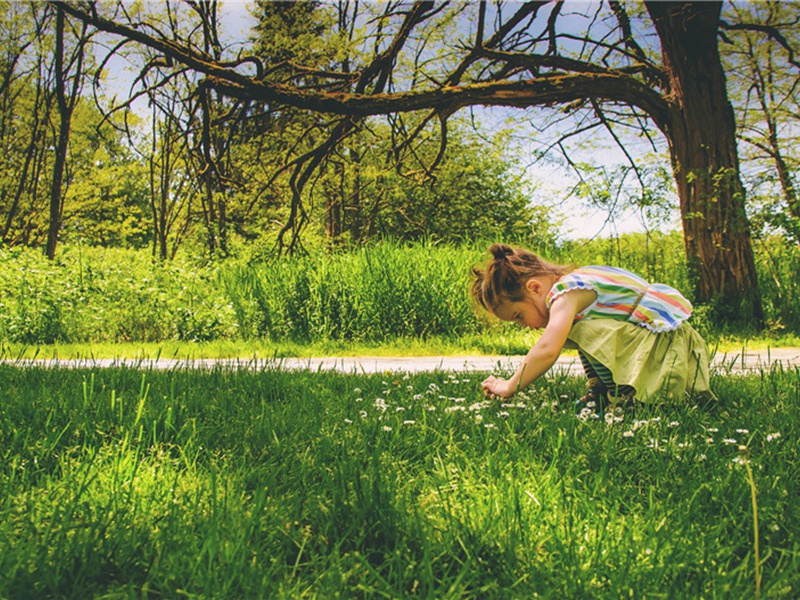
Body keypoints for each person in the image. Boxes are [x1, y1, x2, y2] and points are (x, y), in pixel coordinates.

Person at [470, 243, 714, 405]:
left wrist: (510, 385)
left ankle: (619, 396)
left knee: (579, 330)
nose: (524, 326)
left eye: (519, 316)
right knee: (577, 328)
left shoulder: (565, 293)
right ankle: (600, 389)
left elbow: (547, 349)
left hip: (667, 354)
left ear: (534, 288)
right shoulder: (577, 282)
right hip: (663, 347)